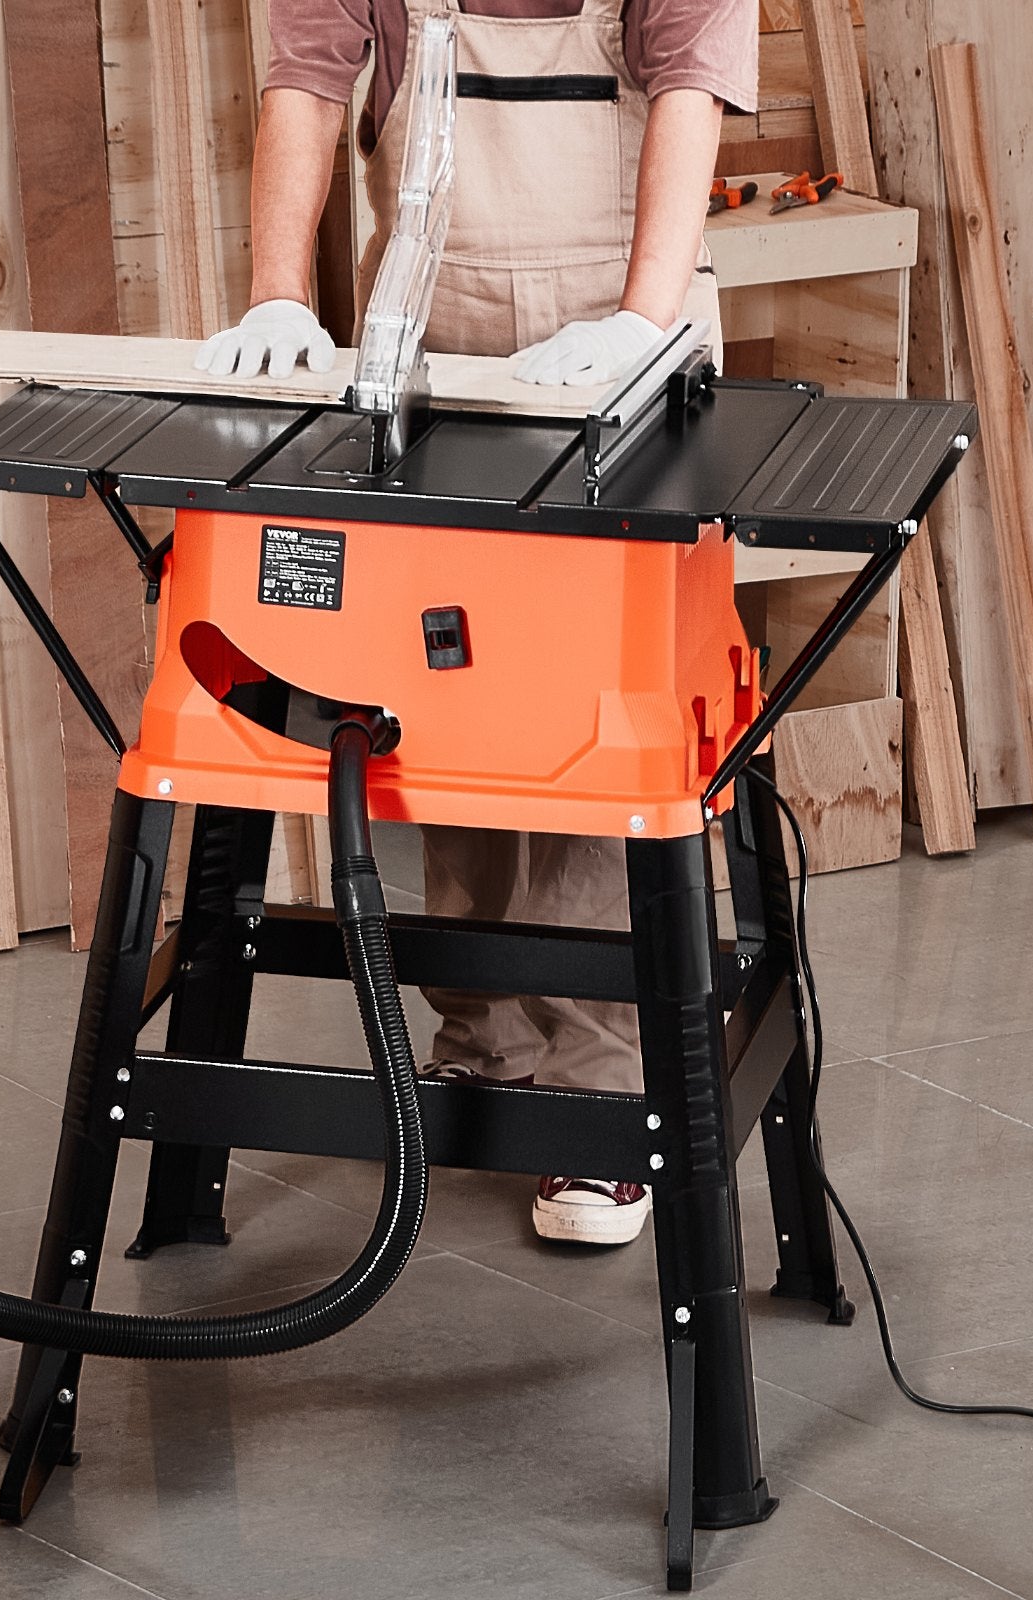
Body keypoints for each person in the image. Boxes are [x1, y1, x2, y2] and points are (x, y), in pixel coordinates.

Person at [196, 0, 757, 1246]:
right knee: (442, 698)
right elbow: (305, 80)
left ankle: (602, 1092)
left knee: (602, 726)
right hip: (435, 346)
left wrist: (640, 322)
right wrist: (278, 297)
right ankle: (480, 1039)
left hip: (622, 349)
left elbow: (688, 94)